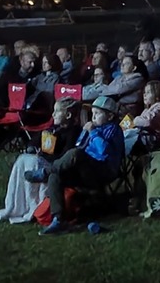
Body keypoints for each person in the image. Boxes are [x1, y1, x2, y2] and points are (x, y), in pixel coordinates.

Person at [27, 96, 125, 235]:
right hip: (87, 168)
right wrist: (86, 133)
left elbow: (104, 151)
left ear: (109, 116)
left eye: (98, 113)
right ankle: (58, 220)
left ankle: (45, 172)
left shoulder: (113, 129)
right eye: (93, 113)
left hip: (104, 170)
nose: (94, 117)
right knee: (57, 175)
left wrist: (93, 132)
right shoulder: (92, 128)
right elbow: (79, 145)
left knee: (76, 154)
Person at [0, 98, 83, 224]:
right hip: (44, 159)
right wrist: (32, 147)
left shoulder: (73, 132)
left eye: (57, 112)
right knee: (23, 159)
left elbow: (65, 155)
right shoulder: (54, 128)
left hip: (55, 165)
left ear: (68, 115)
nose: (53, 115)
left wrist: (43, 155)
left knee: (32, 162)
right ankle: (18, 204)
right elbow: (35, 140)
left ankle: (35, 205)